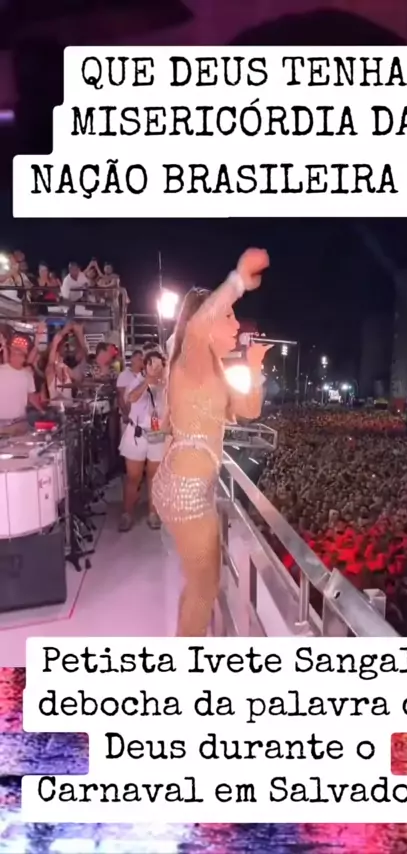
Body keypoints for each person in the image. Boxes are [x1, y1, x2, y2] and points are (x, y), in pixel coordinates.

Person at [152, 248, 272, 637]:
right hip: (186, 491)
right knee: (205, 589)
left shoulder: (214, 368)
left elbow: (250, 409)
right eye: (229, 316)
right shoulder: (193, 360)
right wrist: (237, 279)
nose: (236, 324)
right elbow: (199, 326)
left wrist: (254, 366)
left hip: (191, 487)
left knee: (200, 584)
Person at [118, 351, 167, 532]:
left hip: (157, 434)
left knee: (154, 477)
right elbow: (131, 398)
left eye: (159, 365)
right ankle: (127, 513)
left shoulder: (166, 385)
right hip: (137, 434)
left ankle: (153, 513)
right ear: (145, 366)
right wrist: (147, 381)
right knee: (133, 477)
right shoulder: (137, 381)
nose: (155, 368)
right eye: (151, 364)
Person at [0, 334, 43, 422]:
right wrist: (3, 345)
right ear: (11, 356)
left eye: (20, 354)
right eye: (14, 353)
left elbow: (31, 397)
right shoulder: (1, 370)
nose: (16, 356)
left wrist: (42, 411)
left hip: (19, 421)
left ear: (24, 358)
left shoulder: (28, 375)